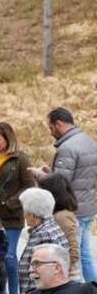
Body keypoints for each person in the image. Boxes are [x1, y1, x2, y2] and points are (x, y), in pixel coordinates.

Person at [44, 108, 97, 282]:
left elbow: (60, 183)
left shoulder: (67, 148)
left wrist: (43, 176)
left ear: (58, 124)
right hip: (88, 207)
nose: (51, 132)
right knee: (86, 255)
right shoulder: (89, 142)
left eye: (51, 128)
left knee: (75, 259)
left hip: (72, 211)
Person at [19, 188, 72, 294]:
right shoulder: (51, 227)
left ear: (33, 215)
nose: (23, 215)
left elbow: (46, 272)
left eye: (25, 212)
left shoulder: (43, 234)